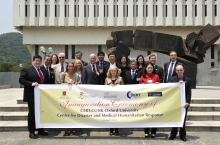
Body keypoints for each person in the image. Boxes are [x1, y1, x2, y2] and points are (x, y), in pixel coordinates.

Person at [19, 55, 49, 139]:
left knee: (41, 113)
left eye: (39, 61)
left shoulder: (43, 70)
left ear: (41, 61)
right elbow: (21, 80)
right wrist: (31, 84)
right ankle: (31, 131)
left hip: (42, 96)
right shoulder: (27, 70)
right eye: (36, 60)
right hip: (32, 96)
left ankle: (40, 130)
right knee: (32, 114)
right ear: (33, 61)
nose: (38, 62)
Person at [169, 65, 191, 142]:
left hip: (184, 104)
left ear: (183, 70)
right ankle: (173, 134)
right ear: (176, 71)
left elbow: (189, 92)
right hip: (175, 103)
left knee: (182, 120)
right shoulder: (172, 79)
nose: (179, 71)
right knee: (175, 119)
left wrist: (187, 102)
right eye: (178, 70)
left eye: (180, 70)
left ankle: (182, 135)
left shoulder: (187, 80)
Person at [139, 62, 159, 138]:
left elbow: (160, 88)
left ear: (153, 69)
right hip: (146, 100)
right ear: (146, 69)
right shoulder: (142, 77)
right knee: (146, 115)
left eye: (151, 68)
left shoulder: (156, 76)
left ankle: (153, 131)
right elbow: (139, 88)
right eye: (148, 68)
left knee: (154, 115)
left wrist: (158, 84)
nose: (150, 69)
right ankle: (146, 131)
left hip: (154, 99)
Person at [60, 62, 80, 136]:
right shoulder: (63, 74)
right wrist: (66, 84)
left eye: (72, 66)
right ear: (67, 67)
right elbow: (60, 83)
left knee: (72, 114)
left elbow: (80, 83)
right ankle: (66, 130)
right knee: (66, 114)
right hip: (65, 97)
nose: (71, 68)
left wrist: (77, 83)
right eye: (69, 66)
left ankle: (71, 130)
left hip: (74, 97)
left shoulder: (76, 75)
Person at [104, 66, 124, 136]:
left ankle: (117, 130)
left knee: (117, 115)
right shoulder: (107, 79)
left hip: (118, 100)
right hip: (109, 100)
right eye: (112, 71)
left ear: (117, 71)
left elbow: (123, 89)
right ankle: (111, 129)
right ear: (110, 72)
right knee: (110, 115)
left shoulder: (120, 78)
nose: (113, 72)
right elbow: (104, 89)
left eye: (114, 71)